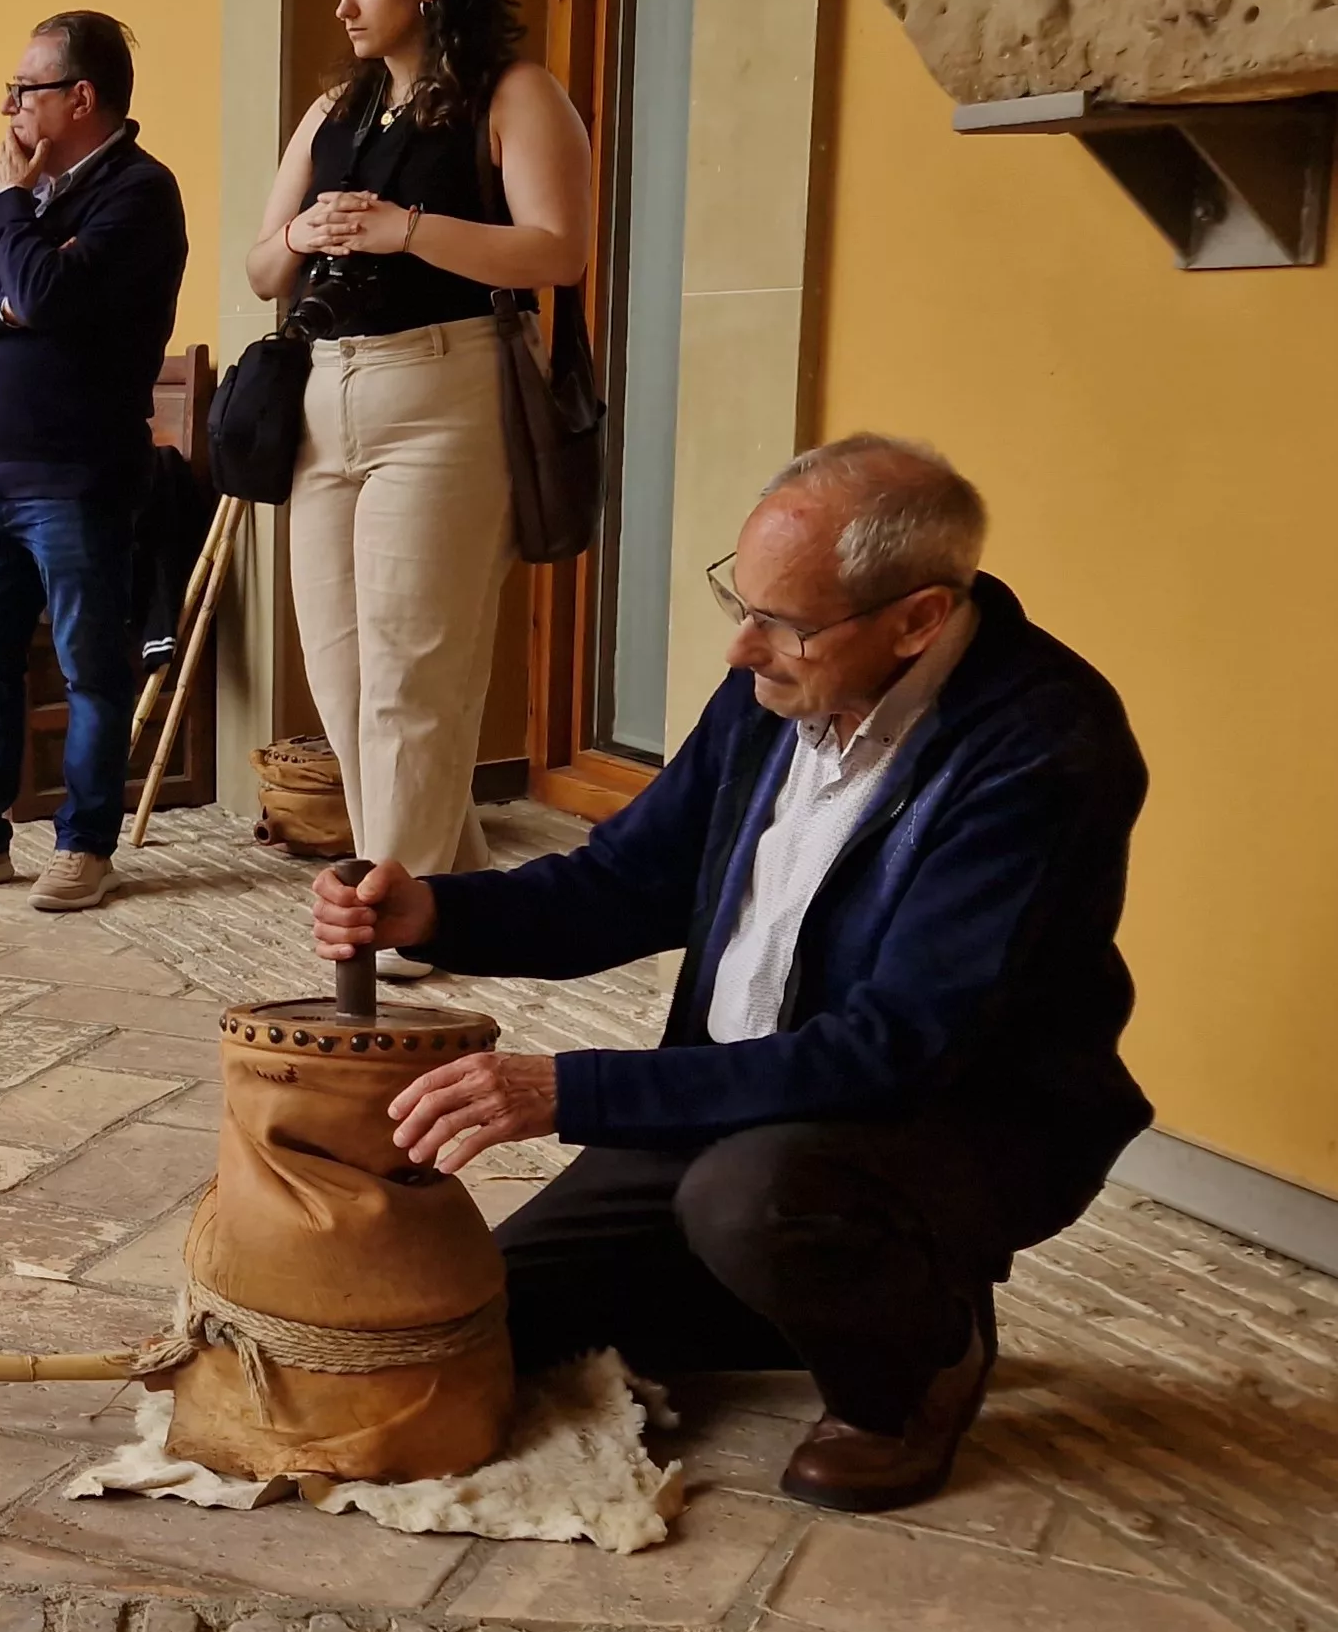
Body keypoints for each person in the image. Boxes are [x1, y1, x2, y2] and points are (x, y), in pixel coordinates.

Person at [314, 436, 1148, 1512]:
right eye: (737, 603)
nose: (740, 649)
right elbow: (632, 879)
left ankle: (918, 1356)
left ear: (917, 620)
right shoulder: (778, 690)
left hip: (947, 1123)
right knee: (478, 1325)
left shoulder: (1042, 747)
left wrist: (569, 1091)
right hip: (732, 1098)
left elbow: (898, 1047)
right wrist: (436, 910)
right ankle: (809, 1294)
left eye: (784, 623)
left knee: (748, 1203)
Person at [251, 0, 594, 979]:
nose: (340, 3)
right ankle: (453, 892)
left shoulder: (514, 94)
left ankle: (391, 922)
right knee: (344, 679)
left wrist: (408, 231)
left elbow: (556, 252)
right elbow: (261, 263)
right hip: (324, 395)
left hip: (446, 394)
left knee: (411, 678)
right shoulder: (333, 108)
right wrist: (303, 233)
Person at [0, 9, 186, 914]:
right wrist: (10, 305)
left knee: (91, 666)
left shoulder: (136, 192)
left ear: (80, 97)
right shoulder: (35, 201)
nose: (10, 108)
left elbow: (50, 291)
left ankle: (85, 843)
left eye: (25, 90)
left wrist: (12, 231)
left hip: (77, 478)